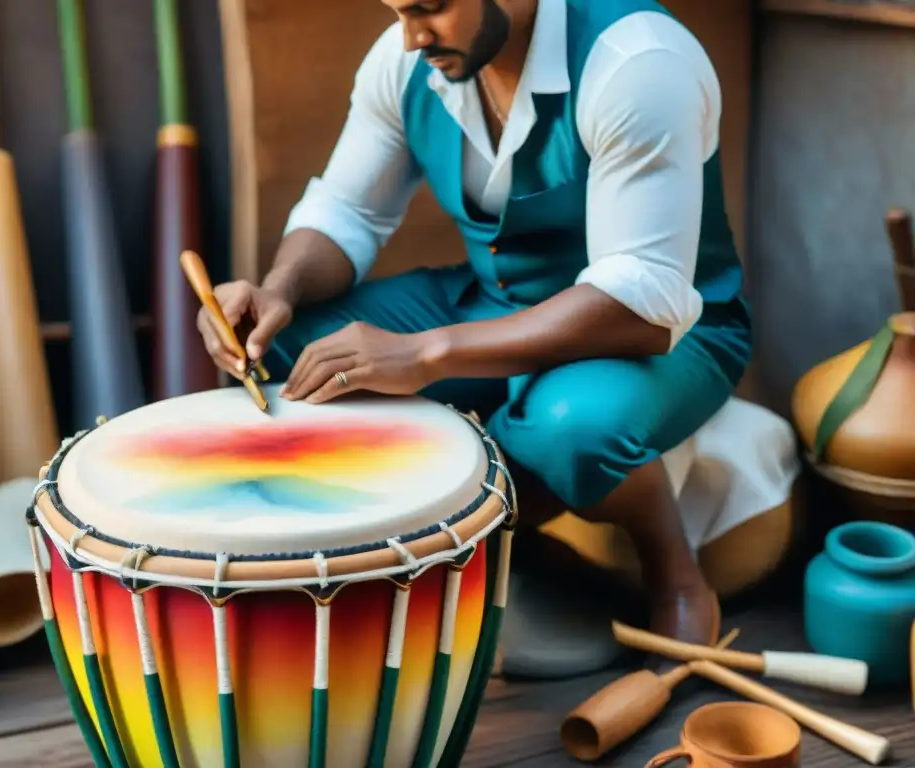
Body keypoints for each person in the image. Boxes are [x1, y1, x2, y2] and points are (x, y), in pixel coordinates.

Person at [197, 0, 751, 649]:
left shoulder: (638, 62)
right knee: (294, 347)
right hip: (495, 301)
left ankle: (673, 574)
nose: (409, 37)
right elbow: (347, 210)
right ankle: (507, 541)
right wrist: (277, 290)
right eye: (398, 10)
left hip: (669, 333)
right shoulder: (407, 61)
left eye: (429, 8)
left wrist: (428, 354)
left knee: (575, 427)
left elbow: (644, 301)